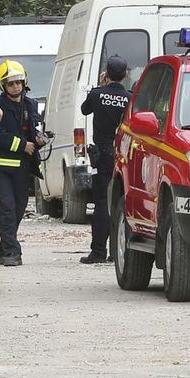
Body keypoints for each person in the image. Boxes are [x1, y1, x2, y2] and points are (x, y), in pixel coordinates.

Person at [0, 60, 39, 265]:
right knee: (5, 208)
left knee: (18, 209)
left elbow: (33, 128)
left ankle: (6, 244)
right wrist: (22, 145)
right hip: (1, 168)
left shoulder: (30, 104)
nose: (16, 86)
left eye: (19, 82)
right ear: (2, 85)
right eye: (10, 83)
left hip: (23, 169)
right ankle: (11, 253)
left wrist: (39, 138)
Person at [78, 54, 130, 265]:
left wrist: (100, 87)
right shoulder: (129, 97)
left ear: (106, 74)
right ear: (125, 75)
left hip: (102, 155)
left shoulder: (97, 95)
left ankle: (98, 251)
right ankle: (116, 252)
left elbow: (84, 109)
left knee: (101, 202)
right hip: (123, 153)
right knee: (121, 202)